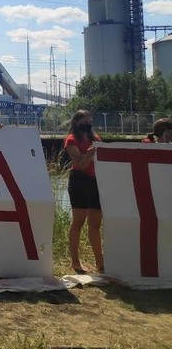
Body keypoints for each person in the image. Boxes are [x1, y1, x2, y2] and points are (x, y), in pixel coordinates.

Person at [64, 109, 103, 275]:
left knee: (95, 224)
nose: (87, 125)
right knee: (78, 222)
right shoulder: (71, 140)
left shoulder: (96, 138)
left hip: (96, 182)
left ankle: (100, 264)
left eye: (89, 122)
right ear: (76, 123)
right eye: (84, 122)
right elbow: (81, 164)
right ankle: (75, 262)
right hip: (80, 181)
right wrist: (90, 154)